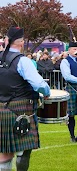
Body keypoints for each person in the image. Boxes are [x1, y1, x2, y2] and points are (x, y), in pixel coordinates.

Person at [0, 26, 51, 171]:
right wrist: (46, 91)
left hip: (1, 109)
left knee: (5, 153)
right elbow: (38, 84)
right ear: (22, 43)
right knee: (24, 149)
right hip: (22, 109)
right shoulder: (23, 61)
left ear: (6, 40)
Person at [60, 40, 77, 142]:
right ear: (69, 50)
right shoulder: (65, 61)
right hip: (72, 88)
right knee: (71, 113)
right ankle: (72, 136)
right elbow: (67, 76)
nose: (76, 51)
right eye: (74, 49)